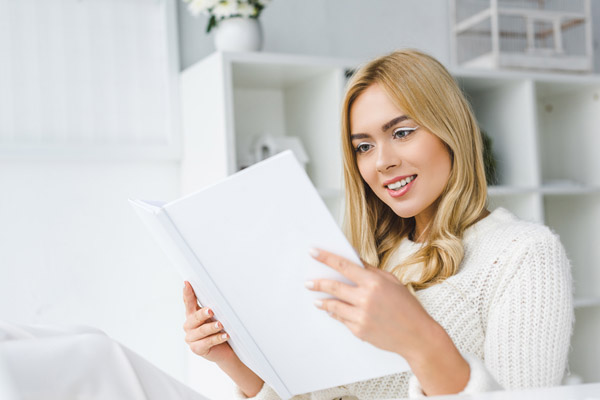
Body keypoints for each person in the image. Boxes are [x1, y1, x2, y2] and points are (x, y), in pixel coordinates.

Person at [182, 49, 573, 399]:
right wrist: (232, 360)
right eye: (364, 146)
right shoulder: (366, 258)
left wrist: (419, 339)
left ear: (450, 131)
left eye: (401, 133)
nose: (381, 161)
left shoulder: (523, 253)